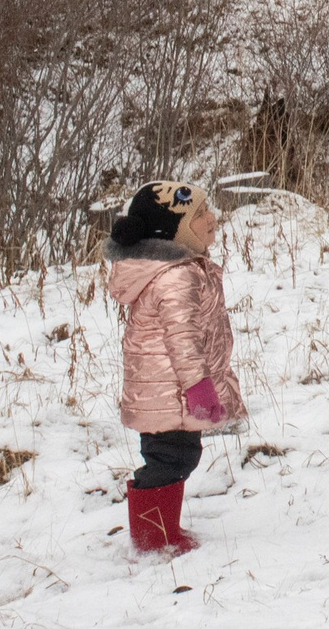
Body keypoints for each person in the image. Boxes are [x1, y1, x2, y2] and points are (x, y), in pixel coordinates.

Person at [106, 181, 246, 557]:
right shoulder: (176, 276)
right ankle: (153, 539)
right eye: (199, 214)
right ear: (174, 231)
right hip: (170, 389)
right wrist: (198, 386)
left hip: (167, 389)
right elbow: (181, 337)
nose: (211, 218)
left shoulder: (180, 269)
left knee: (176, 455)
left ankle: (161, 530)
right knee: (171, 458)